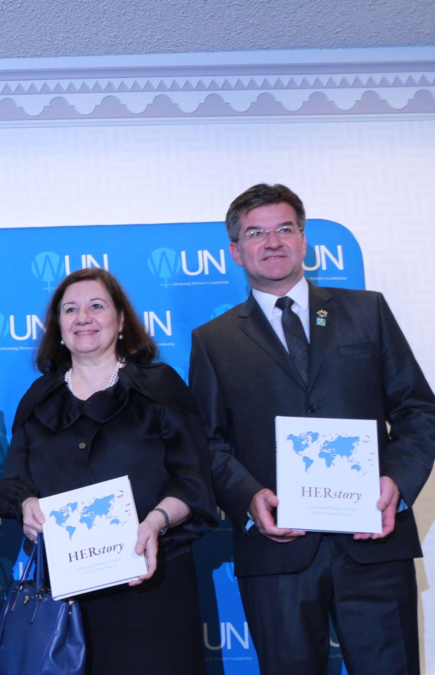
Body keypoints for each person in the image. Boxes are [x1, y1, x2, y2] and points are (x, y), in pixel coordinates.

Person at [189, 184, 435, 675]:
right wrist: (248, 499)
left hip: (374, 543)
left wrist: (398, 483)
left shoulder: (367, 312)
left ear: (304, 241)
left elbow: (418, 411)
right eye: (256, 233)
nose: (272, 242)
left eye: (285, 229)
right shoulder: (213, 341)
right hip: (276, 553)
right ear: (235, 251)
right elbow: (208, 443)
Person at [0, 268, 217, 675]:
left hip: (151, 587)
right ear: (58, 327)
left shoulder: (161, 387)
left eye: (96, 306)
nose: (83, 317)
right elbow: (13, 482)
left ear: (120, 320)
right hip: (63, 600)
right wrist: (25, 505)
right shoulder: (38, 399)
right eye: (70, 310)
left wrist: (155, 522)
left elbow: (192, 482)